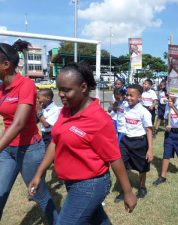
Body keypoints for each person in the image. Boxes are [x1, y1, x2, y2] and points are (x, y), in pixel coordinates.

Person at [28, 62, 137, 224]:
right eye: (60, 89)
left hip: (90, 185)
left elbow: (114, 158)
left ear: (83, 87)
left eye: (67, 90)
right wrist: (39, 173)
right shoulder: (66, 110)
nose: (61, 94)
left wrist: (127, 192)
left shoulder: (99, 120)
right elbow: (56, 142)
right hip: (71, 182)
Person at [0, 41, 58, 223]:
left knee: (39, 195)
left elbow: (18, 123)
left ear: (6, 65)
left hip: (29, 150)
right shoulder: (1, 89)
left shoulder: (25, 84)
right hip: (8, 150)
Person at [115, 84, 153, 202]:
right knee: (122, 166)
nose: (128, 98)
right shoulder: (125, 106)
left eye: (132, 95)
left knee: (142, 167)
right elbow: (117, 104)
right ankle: (124, 190)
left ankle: (142, 187)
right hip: (126, 141)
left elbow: (149, 130)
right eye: (127, 95)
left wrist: (150, 149)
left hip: (140, 142)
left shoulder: (144, 112)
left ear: (139, 97)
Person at [152, 93, 178, 186]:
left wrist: (173, 107)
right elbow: (166, 117)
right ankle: (163, 176)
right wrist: (167, 124)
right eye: (168, 95)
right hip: (170, 134)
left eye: (171, 95)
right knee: (166, 153)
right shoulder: (167, 104)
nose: (169, 97)